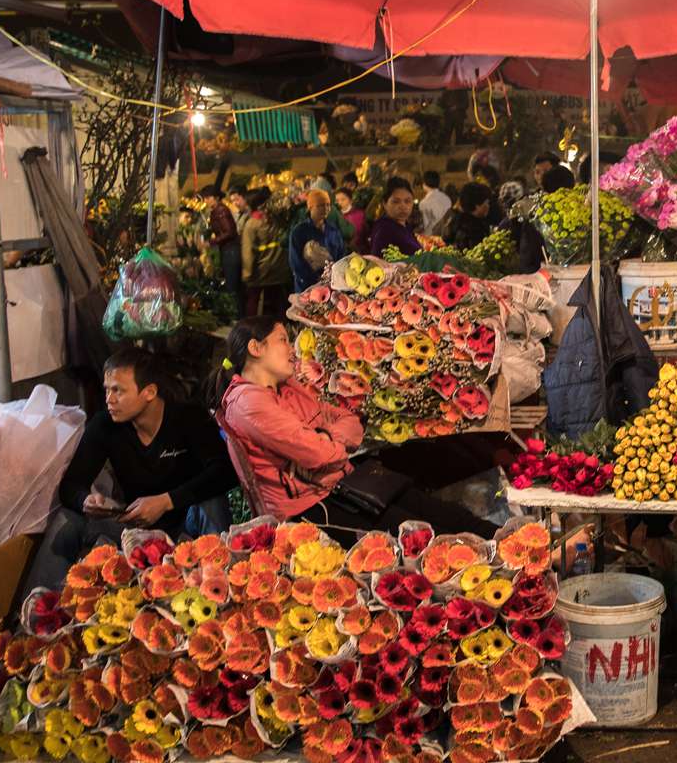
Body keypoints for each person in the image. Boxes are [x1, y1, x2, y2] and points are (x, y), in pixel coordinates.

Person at [212, 317, 498, 537]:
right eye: (283, 340)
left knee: (448, 516)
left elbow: (349, 421)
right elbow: (318, 454)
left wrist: (325, 440)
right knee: (421, 536)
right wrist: (326, 446)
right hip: (310, 509)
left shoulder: (288, 387)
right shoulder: (248, 403)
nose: (292, 349)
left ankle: (517, 544)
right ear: (255, 348)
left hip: (343, 484)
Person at [23, 349, 236, 592]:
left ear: (149, 392)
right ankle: (38, 611)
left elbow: (225, 472)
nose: (109, 399)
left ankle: (222, 590)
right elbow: (71, 486)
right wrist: (86, 500)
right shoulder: (104, 425)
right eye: (107, 389)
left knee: (211, 502)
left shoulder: (188, 418)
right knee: (67, 519)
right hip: (135, 527)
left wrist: (166, 502)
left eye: (118, 390)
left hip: (184, 523)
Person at [240, 187, 290, 316]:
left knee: (253, 302)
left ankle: (253, 330)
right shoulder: (278, 219)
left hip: (260, 272)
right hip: (279, 270)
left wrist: (247, 274)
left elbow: (248, 252)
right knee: (276, 304)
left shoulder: (251, 224)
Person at [289, 189, 346, 292]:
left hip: (331, 286)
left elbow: (341, 256)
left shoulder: (333, 230)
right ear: (310, 207)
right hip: (307, 288)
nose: (325, 209)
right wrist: (315, 279)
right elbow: (296, 262)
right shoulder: (299, 232)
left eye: (328, 205)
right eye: (320, 206)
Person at [201, 185, 243, 317]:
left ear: (216, 198)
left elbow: (230, 232)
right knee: (232, 286)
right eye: (205, 198)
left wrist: (211, 242)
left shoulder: (221, 211)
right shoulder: (218, 210)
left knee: (232, 287)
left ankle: (236, 317)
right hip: (228, 250)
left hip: (230, 251)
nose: (206, 201)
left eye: (208, 198)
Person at [363, 177, 422, 258]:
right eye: (396, 202)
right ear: (384, 204)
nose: (403, 206)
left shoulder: (406, 227)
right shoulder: (384, 230)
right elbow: (378, 263)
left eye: (407, 201)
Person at [442, 182, 494, 251]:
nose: (488, 206)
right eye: (487, 203)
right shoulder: (474, 229)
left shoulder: (455, 220)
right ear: (477, 205)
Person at [419, 170, 451, 236]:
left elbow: (426, 225)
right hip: (447, 235)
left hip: (431, 237)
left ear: (424, 184)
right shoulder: (447, 199)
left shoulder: (424, 203)